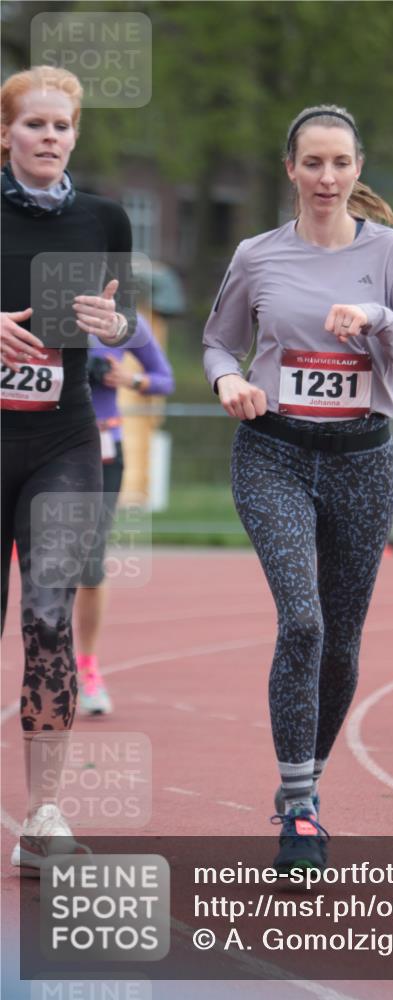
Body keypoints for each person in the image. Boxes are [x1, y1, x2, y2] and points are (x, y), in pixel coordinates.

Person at [203, 104, 393, 873]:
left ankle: (303, 785)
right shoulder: (257, 255)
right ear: (290, 170)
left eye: (339, 163)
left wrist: (377, 318)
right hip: (272, 454)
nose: (326, 178)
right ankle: (301, 806)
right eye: (312, 163)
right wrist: (227, 380)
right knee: (302, 622)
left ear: (358, 169)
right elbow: (216, 339)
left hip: (361, 462)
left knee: (341, 641)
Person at [1, 66, 135, 873]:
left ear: (76, 134)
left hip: (63, 439)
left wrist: (113, 325)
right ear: (5, 133)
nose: (50, 137)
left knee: (49, 617)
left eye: (62, 125)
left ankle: (42, 814)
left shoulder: (104, 218)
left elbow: (121, 325)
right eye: (34, 124)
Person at [74, 313, 174, 715]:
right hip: (42, 446)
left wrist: (128, 380)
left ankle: (88, 670)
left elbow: (164, 379)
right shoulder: (35, 310)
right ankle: (46, 663)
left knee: (90, 566)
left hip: (103, 450)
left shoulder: (125, 323)